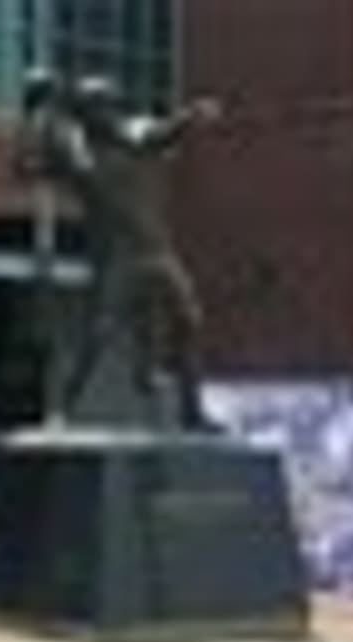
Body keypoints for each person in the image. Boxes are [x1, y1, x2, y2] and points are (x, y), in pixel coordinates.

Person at [18, 69, 221, 428]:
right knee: (98, 334)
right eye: (100, 107)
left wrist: (191, 115)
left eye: (112, 105)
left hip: (158, 251)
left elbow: (165, 131)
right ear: (87, 114)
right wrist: (39, 111)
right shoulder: (80, 156)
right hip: (117, 259)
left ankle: (191, 411)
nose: (110, 113)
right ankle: (62, 408)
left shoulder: (135, 137)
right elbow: (28, 164)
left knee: (190, 321)